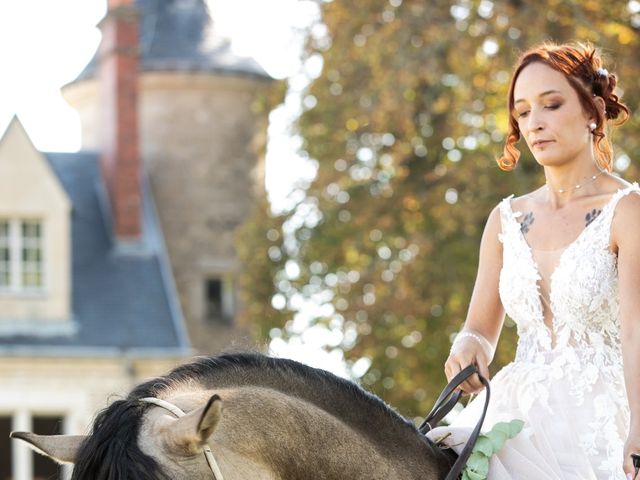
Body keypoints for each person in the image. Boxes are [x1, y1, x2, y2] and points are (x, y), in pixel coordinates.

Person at [425, 41, 640, 480]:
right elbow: (480, 331)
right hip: (513, 417)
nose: (535, 123)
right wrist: (467, 347)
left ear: (593, 111)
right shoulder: (505, 219)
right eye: (522, 113)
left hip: (600, 422)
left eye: (551, 104)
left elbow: (638, 333)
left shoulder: (628, 211)